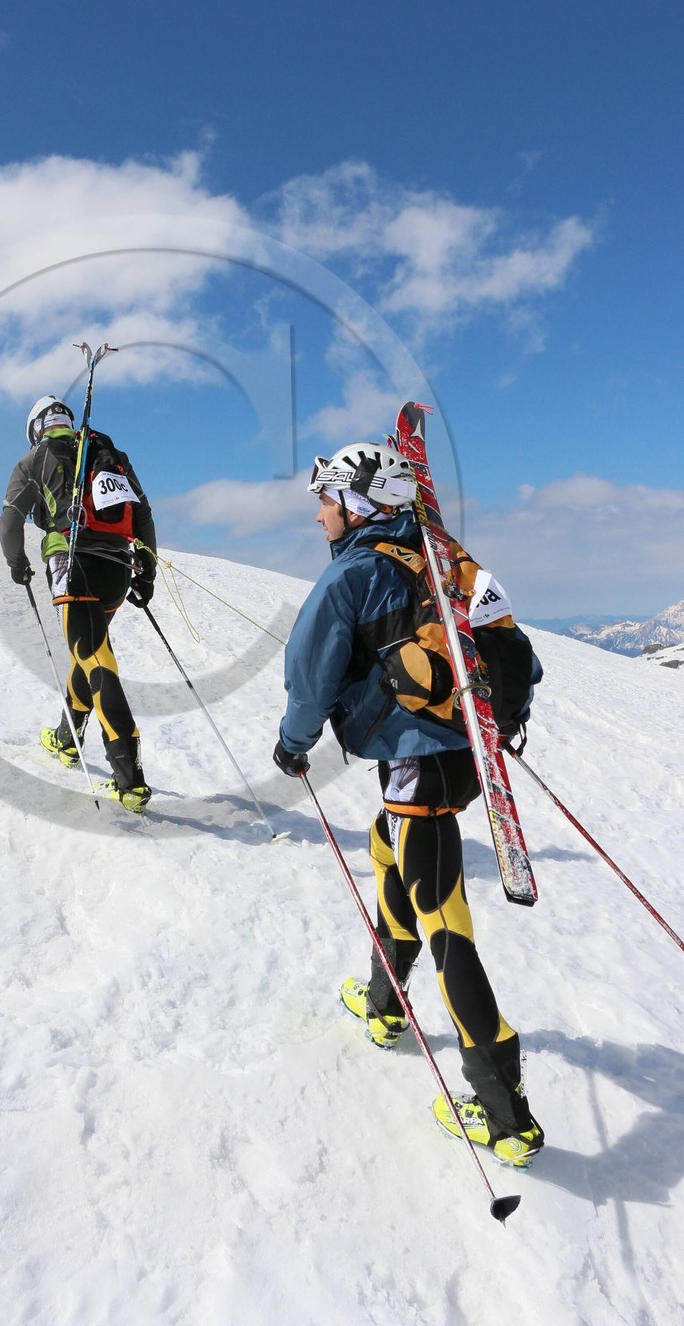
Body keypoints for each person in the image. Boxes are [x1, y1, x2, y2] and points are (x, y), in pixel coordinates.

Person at [272, 440, 544, 1168]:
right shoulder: (445, 558)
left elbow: (309, 678)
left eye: (327, 500)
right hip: (467, 755)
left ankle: (504, 1114)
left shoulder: (355, 574)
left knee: (445, 918)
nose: (320, 514)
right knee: (385, 846)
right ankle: (386, 1000)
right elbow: (519, 656)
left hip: (416, 766)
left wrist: (293, 745)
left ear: (358, 504)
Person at [0, 395, 157, 812]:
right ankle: (67, 739)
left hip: (72, 566)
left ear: (36, 428)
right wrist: (148, 572)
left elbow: (11, 520)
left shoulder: (33, 459)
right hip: (118, 569)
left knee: (93, 656)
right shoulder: (108, 453)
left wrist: (17, 563)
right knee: (85, 651)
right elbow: (142, 513)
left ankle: (130, 780)